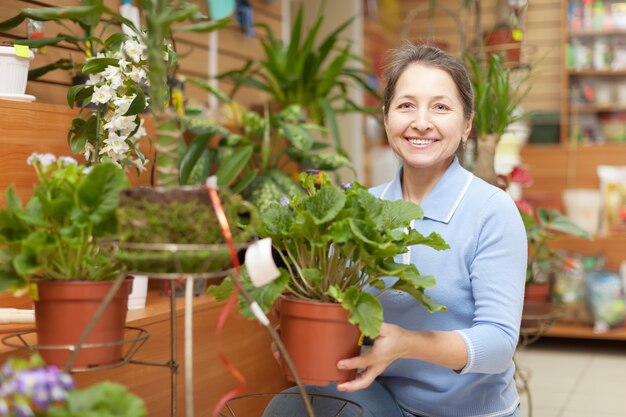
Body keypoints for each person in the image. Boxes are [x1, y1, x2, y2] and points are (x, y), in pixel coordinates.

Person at [262, 43, 527, 417]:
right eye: (406, 106)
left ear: (467, 123)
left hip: (472, 412)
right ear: (386, 119)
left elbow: (499, 345)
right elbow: (320, 290)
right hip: (386, 401)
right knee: (285, 410)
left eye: (440, 107)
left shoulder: (491, 210)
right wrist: (289, 323)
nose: (421, 122)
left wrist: (407, 344)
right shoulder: (364, 207)